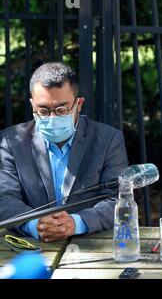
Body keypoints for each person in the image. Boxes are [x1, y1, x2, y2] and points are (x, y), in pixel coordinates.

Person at [0, 62, 128, 242]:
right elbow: (5, 199)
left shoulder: (108, 139)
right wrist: (34, 224)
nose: (52, 118)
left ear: (79, 104)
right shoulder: (10, 141)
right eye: (43, 110)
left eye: (61, 110)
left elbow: (118, 199)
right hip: (32, 247)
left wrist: (76, 223)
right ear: (32, 105)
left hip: (90, 246)